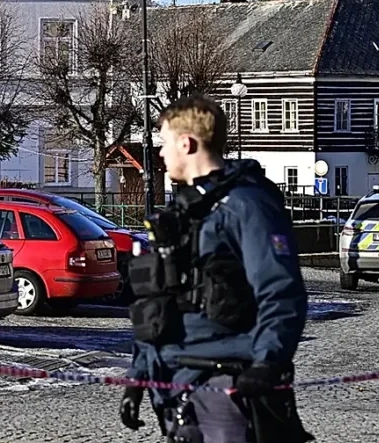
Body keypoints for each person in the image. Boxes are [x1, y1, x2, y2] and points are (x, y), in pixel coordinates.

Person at [119, 95, 312, 443]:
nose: (160, 154)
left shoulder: (247, 206)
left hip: (229, 383)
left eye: (164, 142)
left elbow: (280, 290)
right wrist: (140, 373)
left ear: (186, 143)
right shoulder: (185, 212)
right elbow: (160, 302)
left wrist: (267, 364)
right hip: (177, 382)